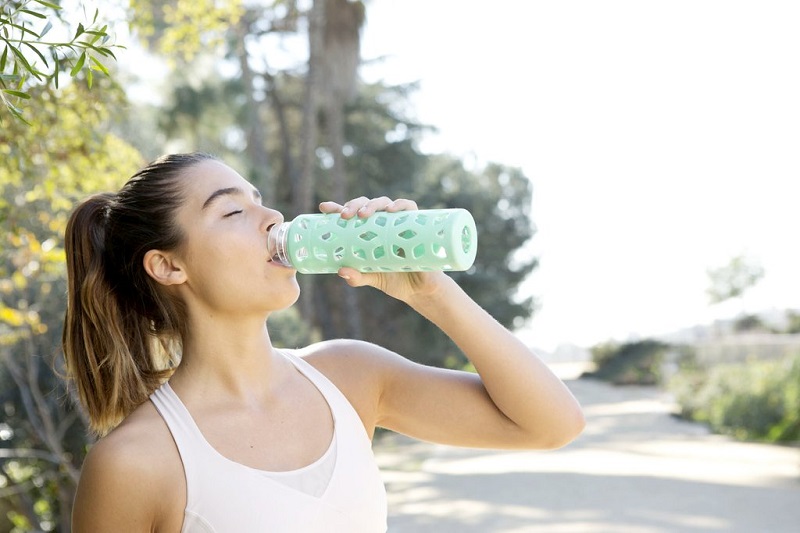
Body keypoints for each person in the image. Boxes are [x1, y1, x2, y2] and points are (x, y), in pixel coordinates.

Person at [62, 152, 585, 532]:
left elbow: (552, 425)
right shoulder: (137, 462)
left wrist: (430, 291)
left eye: (260, 202)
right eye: (232, 212)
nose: (271, 219)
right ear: (169, 265)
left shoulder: (350, 377)